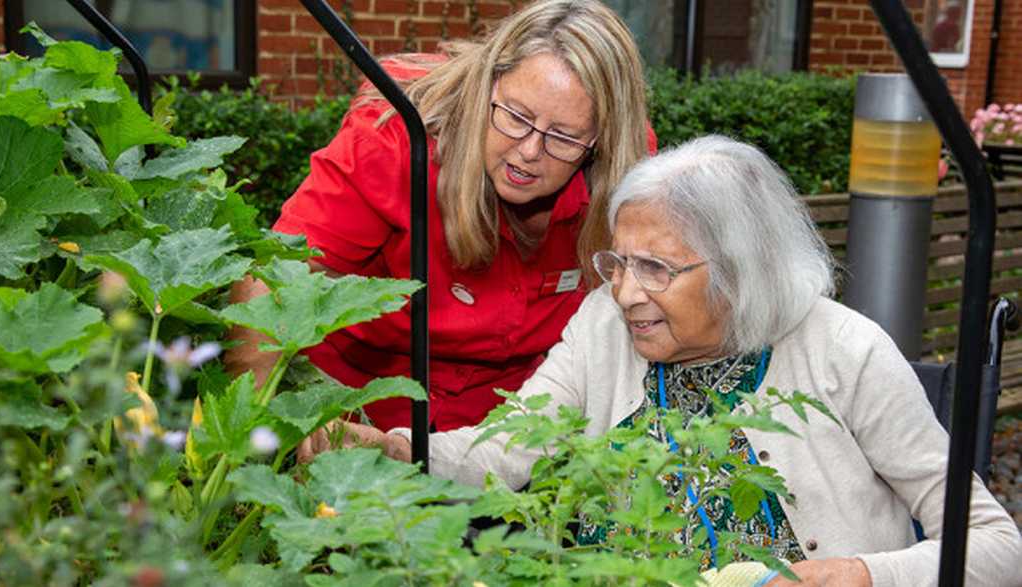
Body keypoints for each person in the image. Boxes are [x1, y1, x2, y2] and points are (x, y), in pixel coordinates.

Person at [312, 136, 1022, 586]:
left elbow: (995, 546)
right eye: (618, 261)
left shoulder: (847, 351)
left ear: (740, 271)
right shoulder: (603, 325)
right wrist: (397, 447)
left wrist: (867, 575)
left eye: (655, 267)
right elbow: (507, 448)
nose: (623, 291)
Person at [225, 0, 655, 433]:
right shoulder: (396, 138)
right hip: (360, 410)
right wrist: (259, 436)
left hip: (514, 428)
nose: (528, 151)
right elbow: (273, 282)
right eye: (516, 116)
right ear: (488, 85)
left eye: (563, 136)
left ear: (602, 140)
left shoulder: (625, 173)